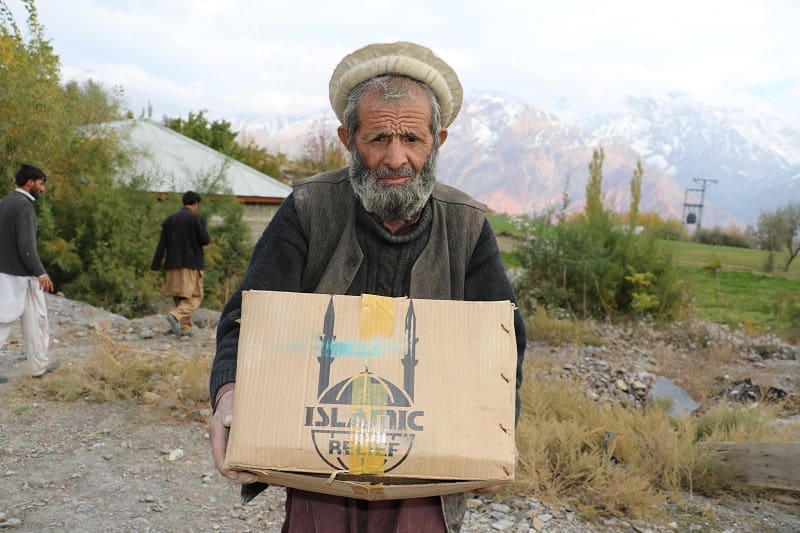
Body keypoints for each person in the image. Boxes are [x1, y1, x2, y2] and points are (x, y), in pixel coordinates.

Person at [209, 41, 526, 532]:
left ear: (438, 140)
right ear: (348, 138)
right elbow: (246, 320)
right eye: (378, 138)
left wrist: (498, 431)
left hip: (427, 466)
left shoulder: (466, 225)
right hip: (320, 457)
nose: (395, 159)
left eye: (412, 139)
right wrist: (230, 397)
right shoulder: (309, 209)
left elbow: (502, 343)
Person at [0, 164, 58, 381]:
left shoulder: (4, 202)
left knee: (33, 320)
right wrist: (40, 272)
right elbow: (26, 247)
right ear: (30, 182)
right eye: (41, 184)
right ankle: (38, 365)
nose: (42, 189)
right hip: (18, 275)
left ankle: (38, 366)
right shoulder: (24, 207)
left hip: (7, 273)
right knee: (7, 321)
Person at [150, 190, 210, 337]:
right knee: (195, 296)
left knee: (181, 297)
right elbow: (205, 240)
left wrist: (155, 266)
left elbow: (161, 245)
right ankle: (175, 315)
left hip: (171, 265)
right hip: (191, 265)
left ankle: (185, 328)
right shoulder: (196, 218)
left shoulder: (170, 220)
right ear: (196, 203)